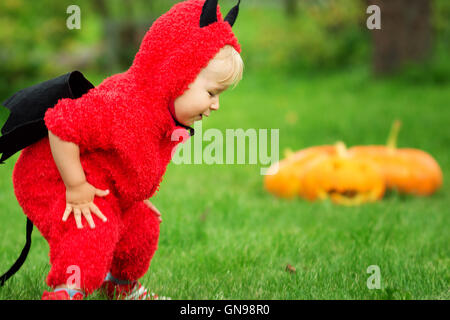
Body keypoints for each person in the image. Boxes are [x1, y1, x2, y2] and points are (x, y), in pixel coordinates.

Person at [10, 0, 243, 300]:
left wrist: (131, 200)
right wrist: (76, 185)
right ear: (177, 73)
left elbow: (122, 163)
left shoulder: (163, 117)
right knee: (94, 227)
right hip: (51, 176)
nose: (215, 104)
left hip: (99, 181)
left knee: (143, 225)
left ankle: (119, 285)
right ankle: (66, 290)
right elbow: (61, 124)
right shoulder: (124, 107)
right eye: (211, 93)